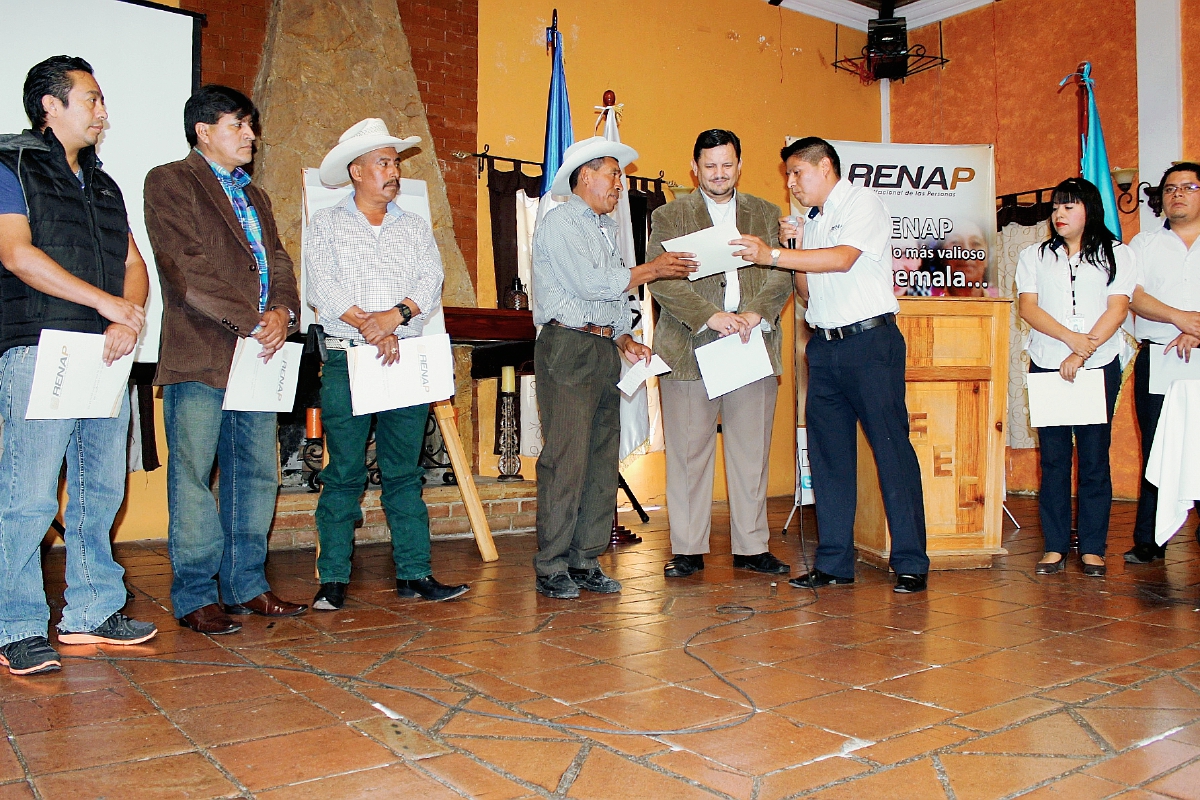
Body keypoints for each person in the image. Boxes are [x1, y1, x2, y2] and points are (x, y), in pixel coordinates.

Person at [0, 55, 158, 675]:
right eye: (91, 99)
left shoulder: (105, 184)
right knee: (29, 497)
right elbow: (16, 254)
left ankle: (92, 611)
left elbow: (134, 264)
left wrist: (127, 318)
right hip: (39, 348)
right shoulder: (10, 165)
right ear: (50, 105)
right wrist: (104, 303)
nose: (102, 112)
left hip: (105, 352)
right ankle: (15, 625)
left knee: (101, 489)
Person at [732, 137, 929, 593]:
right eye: (788, 175)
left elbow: (842, 260)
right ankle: (835, 562)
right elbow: (805, 292)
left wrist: (772, 254)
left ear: (825, 167)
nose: (791, 183)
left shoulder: (863, 202)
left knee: (891, 451)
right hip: (824, 347)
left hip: (870, 344)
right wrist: (796, 247)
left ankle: (911, 562)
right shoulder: (813, 222)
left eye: (796, 172)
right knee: (828, 457)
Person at [144, 85, 307, 635]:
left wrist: (283, 311)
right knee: (193, 476)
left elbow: (277, 260)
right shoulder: (170, 181)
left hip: (259, 354)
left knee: (256, 473)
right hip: (203, 353)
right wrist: (253, 320)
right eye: (238, 125)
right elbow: (185, 268)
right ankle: (195, 595)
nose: (250, 136)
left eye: (250, 126)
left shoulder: (255, 196)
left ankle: (246, 585)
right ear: (203, 131)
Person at [305, 118, 467, 607]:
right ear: (355, 172)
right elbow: (323, 287)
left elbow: (429, 282)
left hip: (404, 359)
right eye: (383, 163)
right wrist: (370, 326)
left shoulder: (414, 227)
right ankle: (333, 578)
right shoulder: (326, 224)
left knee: (404, 473)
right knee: (343, 473)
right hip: (346, 360)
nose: (394, 171)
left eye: (395, 163)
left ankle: (415, 573)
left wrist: (393, 319)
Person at [531, 136, 696, 599]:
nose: (620, 184)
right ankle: (551, 566)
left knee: (602, 459)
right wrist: (653, 269)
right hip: (568, 347)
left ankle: (585, 559)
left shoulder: (603, 229)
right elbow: (591, 283)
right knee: (566, 459)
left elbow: (608, 299)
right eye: (614, 174)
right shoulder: (561, 221)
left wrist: (624, 338)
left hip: (604, 350)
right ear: (585, 176)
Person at [646, 129, 792, 579]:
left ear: (740, 165)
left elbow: (781, 271)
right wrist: (710, 316)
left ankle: (752, 547)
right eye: (710, 166)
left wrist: (754, 314)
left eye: (727, 164)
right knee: (689, 454)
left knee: (751, 452)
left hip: (750, 344)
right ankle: (688, 549)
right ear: (695, 168)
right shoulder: (669, 215)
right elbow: (661, 278)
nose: (719, 173)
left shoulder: (766, 212)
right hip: (690, 348)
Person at [1016, 177, 1135, 577]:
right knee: (1053, 460)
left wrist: (1083, 351)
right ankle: (1055, 545)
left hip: (1098, 364)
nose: (1059, 214)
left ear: (1090, 209)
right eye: (1055, 207)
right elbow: (1029, 308)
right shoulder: (1035, 255)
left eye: (1069, 206)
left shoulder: (1117, 254)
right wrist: (1070, 342)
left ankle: (1093, 547)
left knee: (1094, 458)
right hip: (1048, 361)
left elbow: (1117, 308)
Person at [1125, 162, 1200, 563]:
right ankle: (1149, 540)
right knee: (1158, 447)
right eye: (1170, 189)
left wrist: (1197, 329)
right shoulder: (1144, 244)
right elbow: (1133, 296)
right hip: (1159, 357)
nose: (1178, 194)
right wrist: (1178, 318)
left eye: (1188, 187)